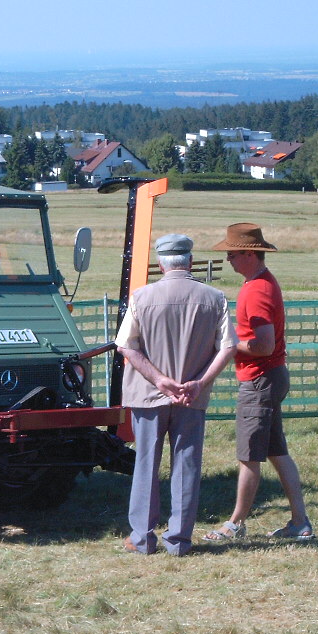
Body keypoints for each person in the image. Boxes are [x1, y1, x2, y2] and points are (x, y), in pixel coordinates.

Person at [116, 233, 236, 556]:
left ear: (160, 264)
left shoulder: (141, 298)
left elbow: (126, 345)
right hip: (192, 398)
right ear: (191, 262)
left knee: (146, 464)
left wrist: (159, 380)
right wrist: (199, 383)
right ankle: (179, 540)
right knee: (187, 465)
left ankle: (142, 538)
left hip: (148, 397)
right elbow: (228, 347)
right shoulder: (215, 298)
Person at [204, 223, 314, 541]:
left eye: (232, 254)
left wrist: (224, 342)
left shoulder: (256, 290)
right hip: (272, 376)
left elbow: (263, 345)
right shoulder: (261, 283)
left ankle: (235, 524)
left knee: (248, 456)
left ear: (250, 254)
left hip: (260, 380)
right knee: (277, 452)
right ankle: (299, 522)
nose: (228, 260)